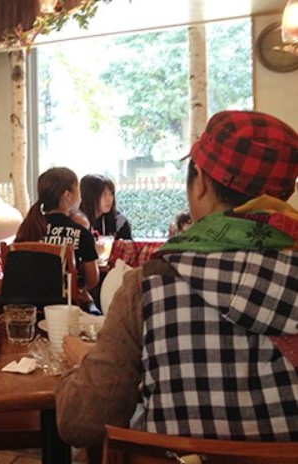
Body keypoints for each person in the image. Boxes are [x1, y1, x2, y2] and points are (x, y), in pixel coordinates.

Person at [56, 110, 298, 447]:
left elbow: (81, 424)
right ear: (283, 195)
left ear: (199, 182)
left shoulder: (150, 285)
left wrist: (82, 364)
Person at [15, 167, 100, 292]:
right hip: (65, 306)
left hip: (27, 305)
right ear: (68, 194)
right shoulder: (81, 233)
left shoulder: (29, 229)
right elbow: (92, 280)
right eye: (78, 189)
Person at [79, 174, 132, 240]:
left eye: (111, 194)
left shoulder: (119, 221)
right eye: (105, 194)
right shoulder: (76, 220)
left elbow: (130, 247)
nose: (110, 199)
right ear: (90, 196)